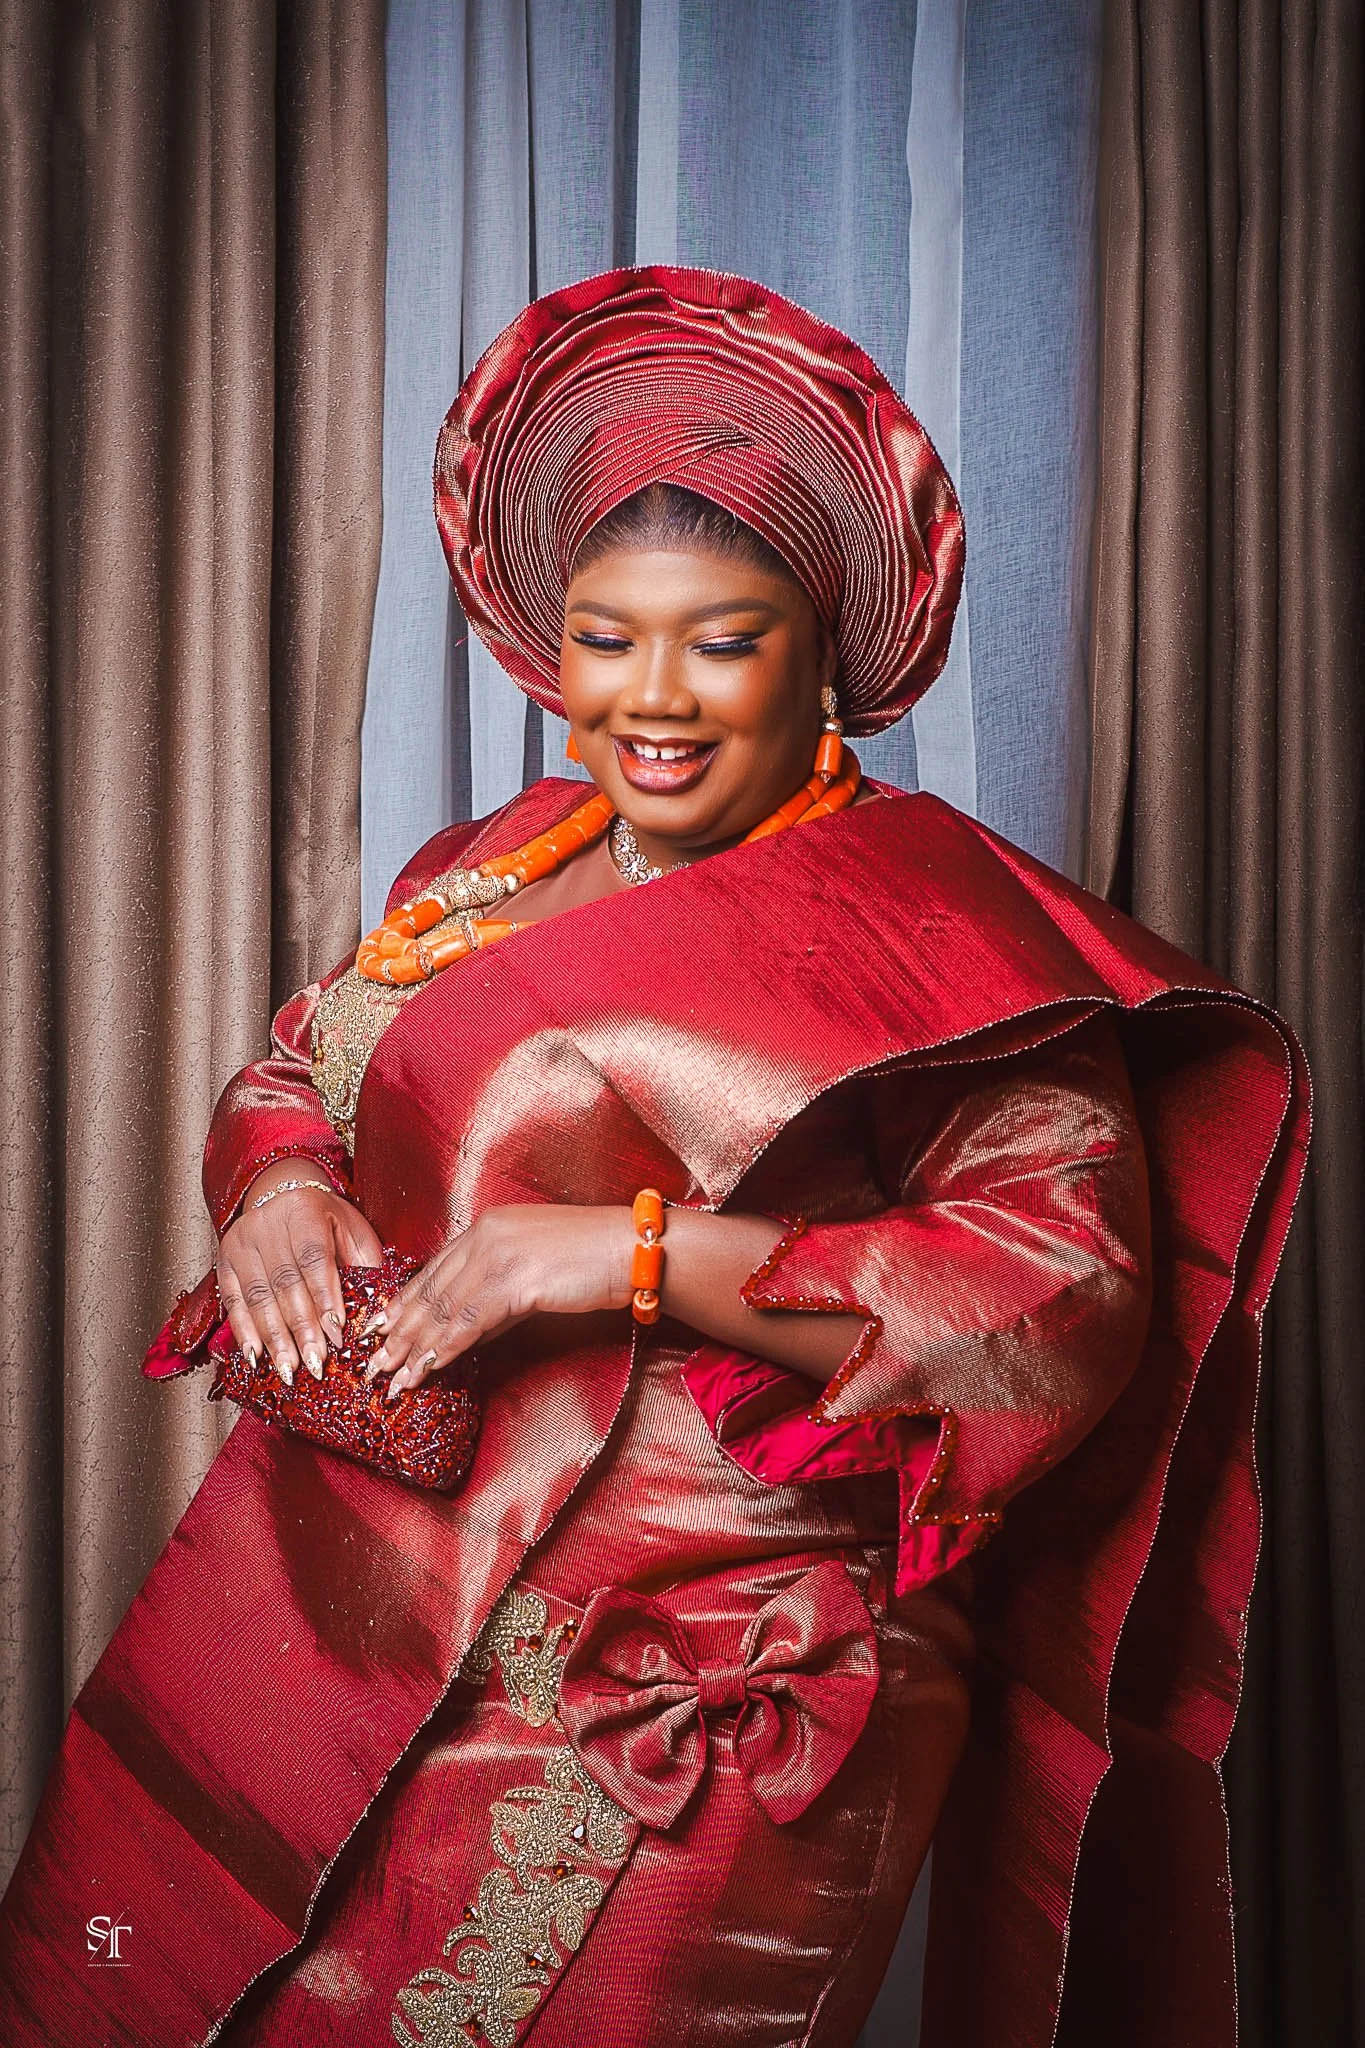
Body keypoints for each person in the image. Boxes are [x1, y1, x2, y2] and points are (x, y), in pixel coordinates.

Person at [0, 266, 1307, 2048]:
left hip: (698, 1684)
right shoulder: (509, 857)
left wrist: (625, 1253)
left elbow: (1057, 1291)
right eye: (608, 638)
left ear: (826, 647)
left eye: (723, 639)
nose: (653, 698)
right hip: (403, 1607)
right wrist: (280, 1189)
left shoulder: (944, 934)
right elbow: (309, 1057)